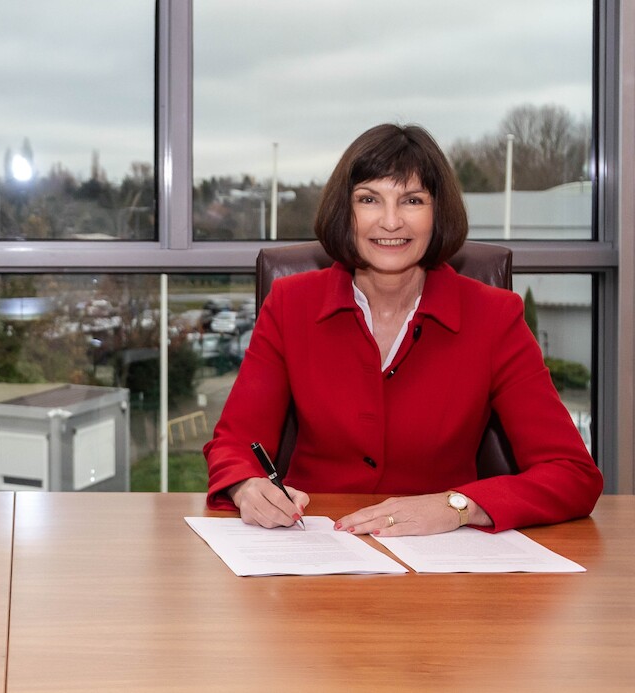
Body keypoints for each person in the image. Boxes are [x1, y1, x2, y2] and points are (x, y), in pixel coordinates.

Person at [204, 123, 602, 536]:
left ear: (437, 212)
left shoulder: (495, 317)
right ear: (346, 211)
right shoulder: (290, 304)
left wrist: (459, 506)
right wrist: (246, 485)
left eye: (412, 200)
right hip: (316, 547)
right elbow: (235, 443)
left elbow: (572, 473)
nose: (391, 221)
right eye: (369, 199)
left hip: (444, 558)